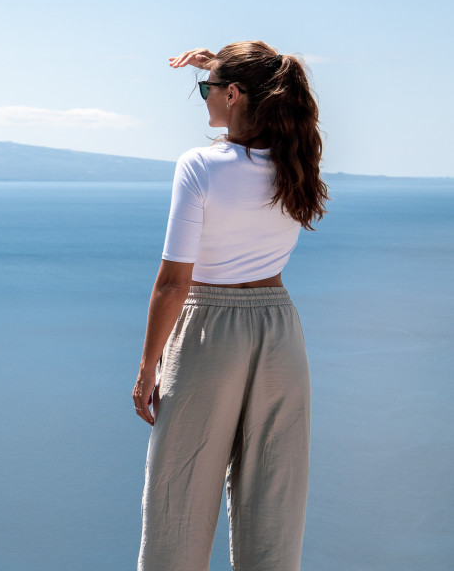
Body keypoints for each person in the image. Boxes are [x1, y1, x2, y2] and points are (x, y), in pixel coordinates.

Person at [133, 41, 329, 571]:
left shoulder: (199, 166)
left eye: (208, 89)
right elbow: (268, 80)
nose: (205, 97)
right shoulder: (298, 161)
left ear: (235, 95)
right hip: (280, 332)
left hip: (209, 331)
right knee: (276, 498)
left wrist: (147, 369)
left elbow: (174, 283)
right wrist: (217, 68)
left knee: (179, 493)